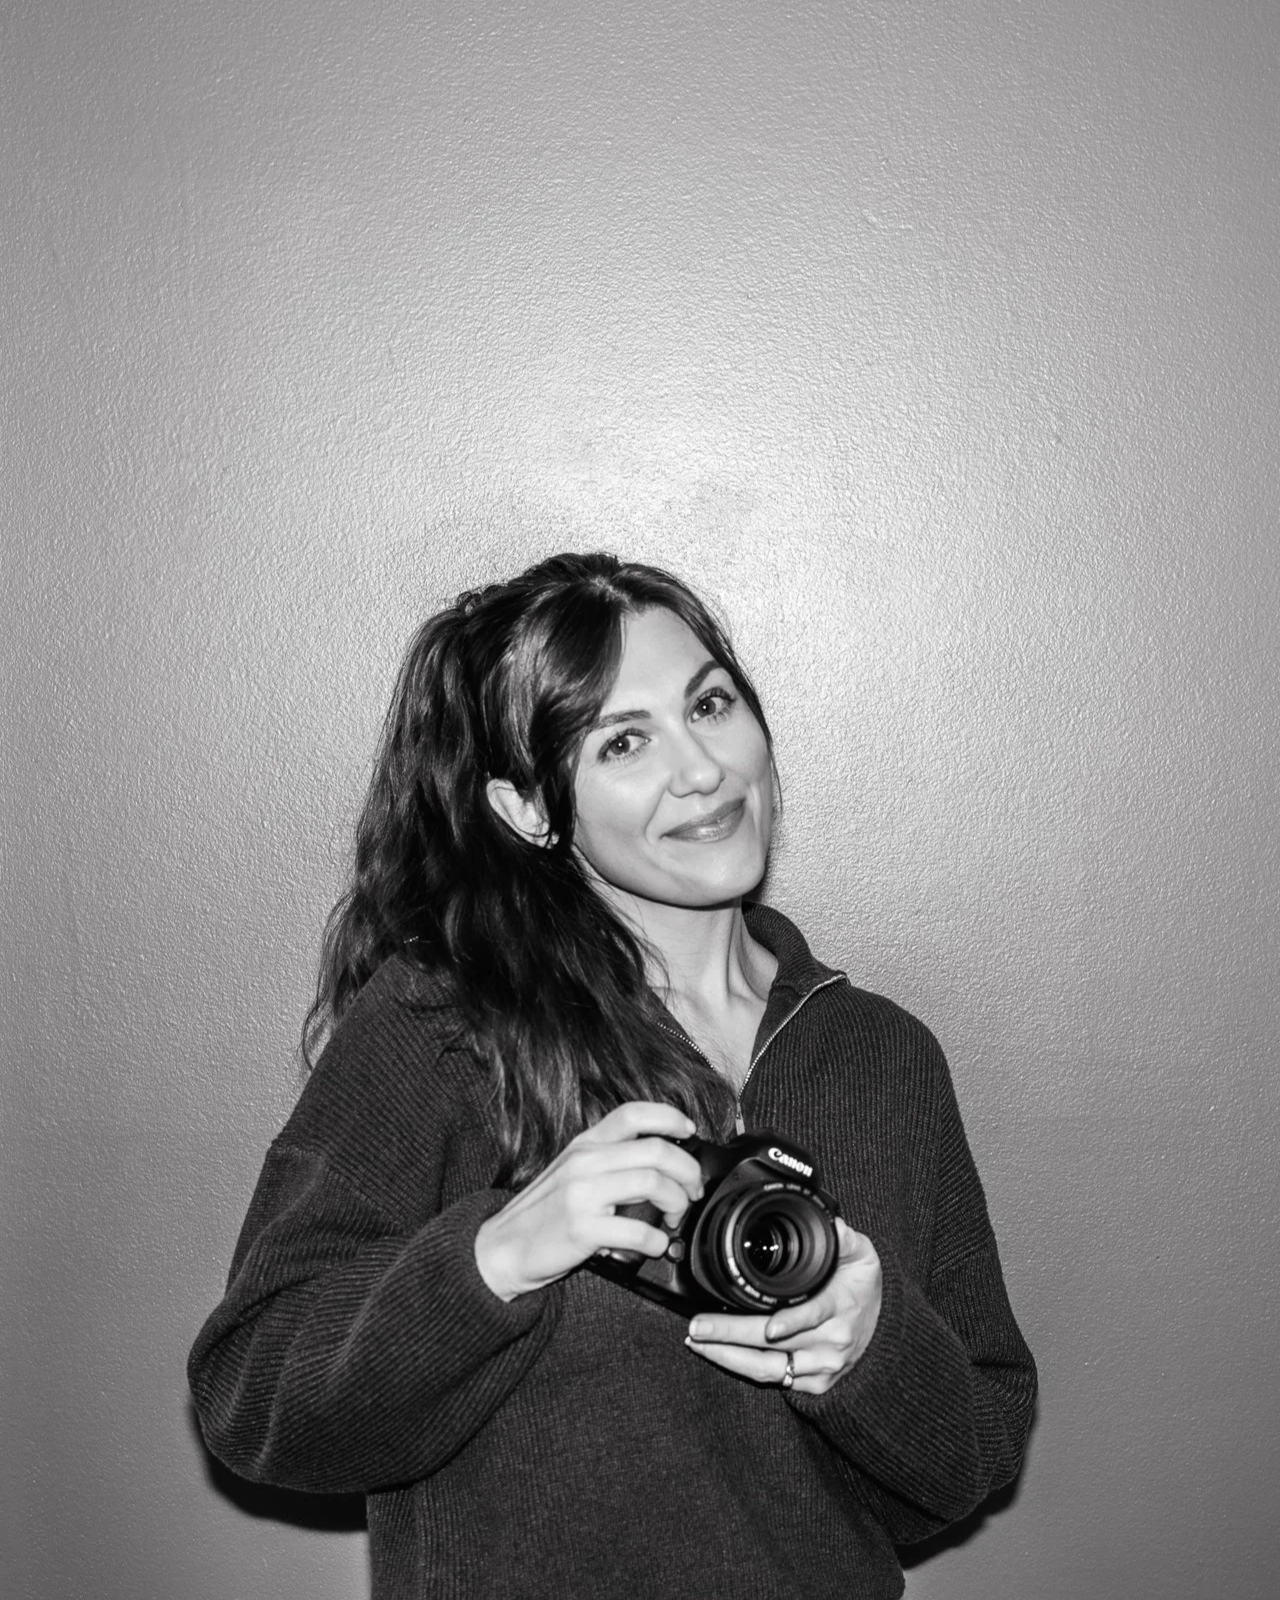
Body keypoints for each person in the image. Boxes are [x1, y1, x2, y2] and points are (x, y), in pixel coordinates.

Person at [188, 552, 1036, 1600]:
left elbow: (967, 1459)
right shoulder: (443, 1026)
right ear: (529, 809)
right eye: (624, 741)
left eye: (710, 704)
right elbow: (253, 1397)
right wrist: (499, 1252)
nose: (702, 769)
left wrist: (865, 1351)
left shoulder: (879, 1055)